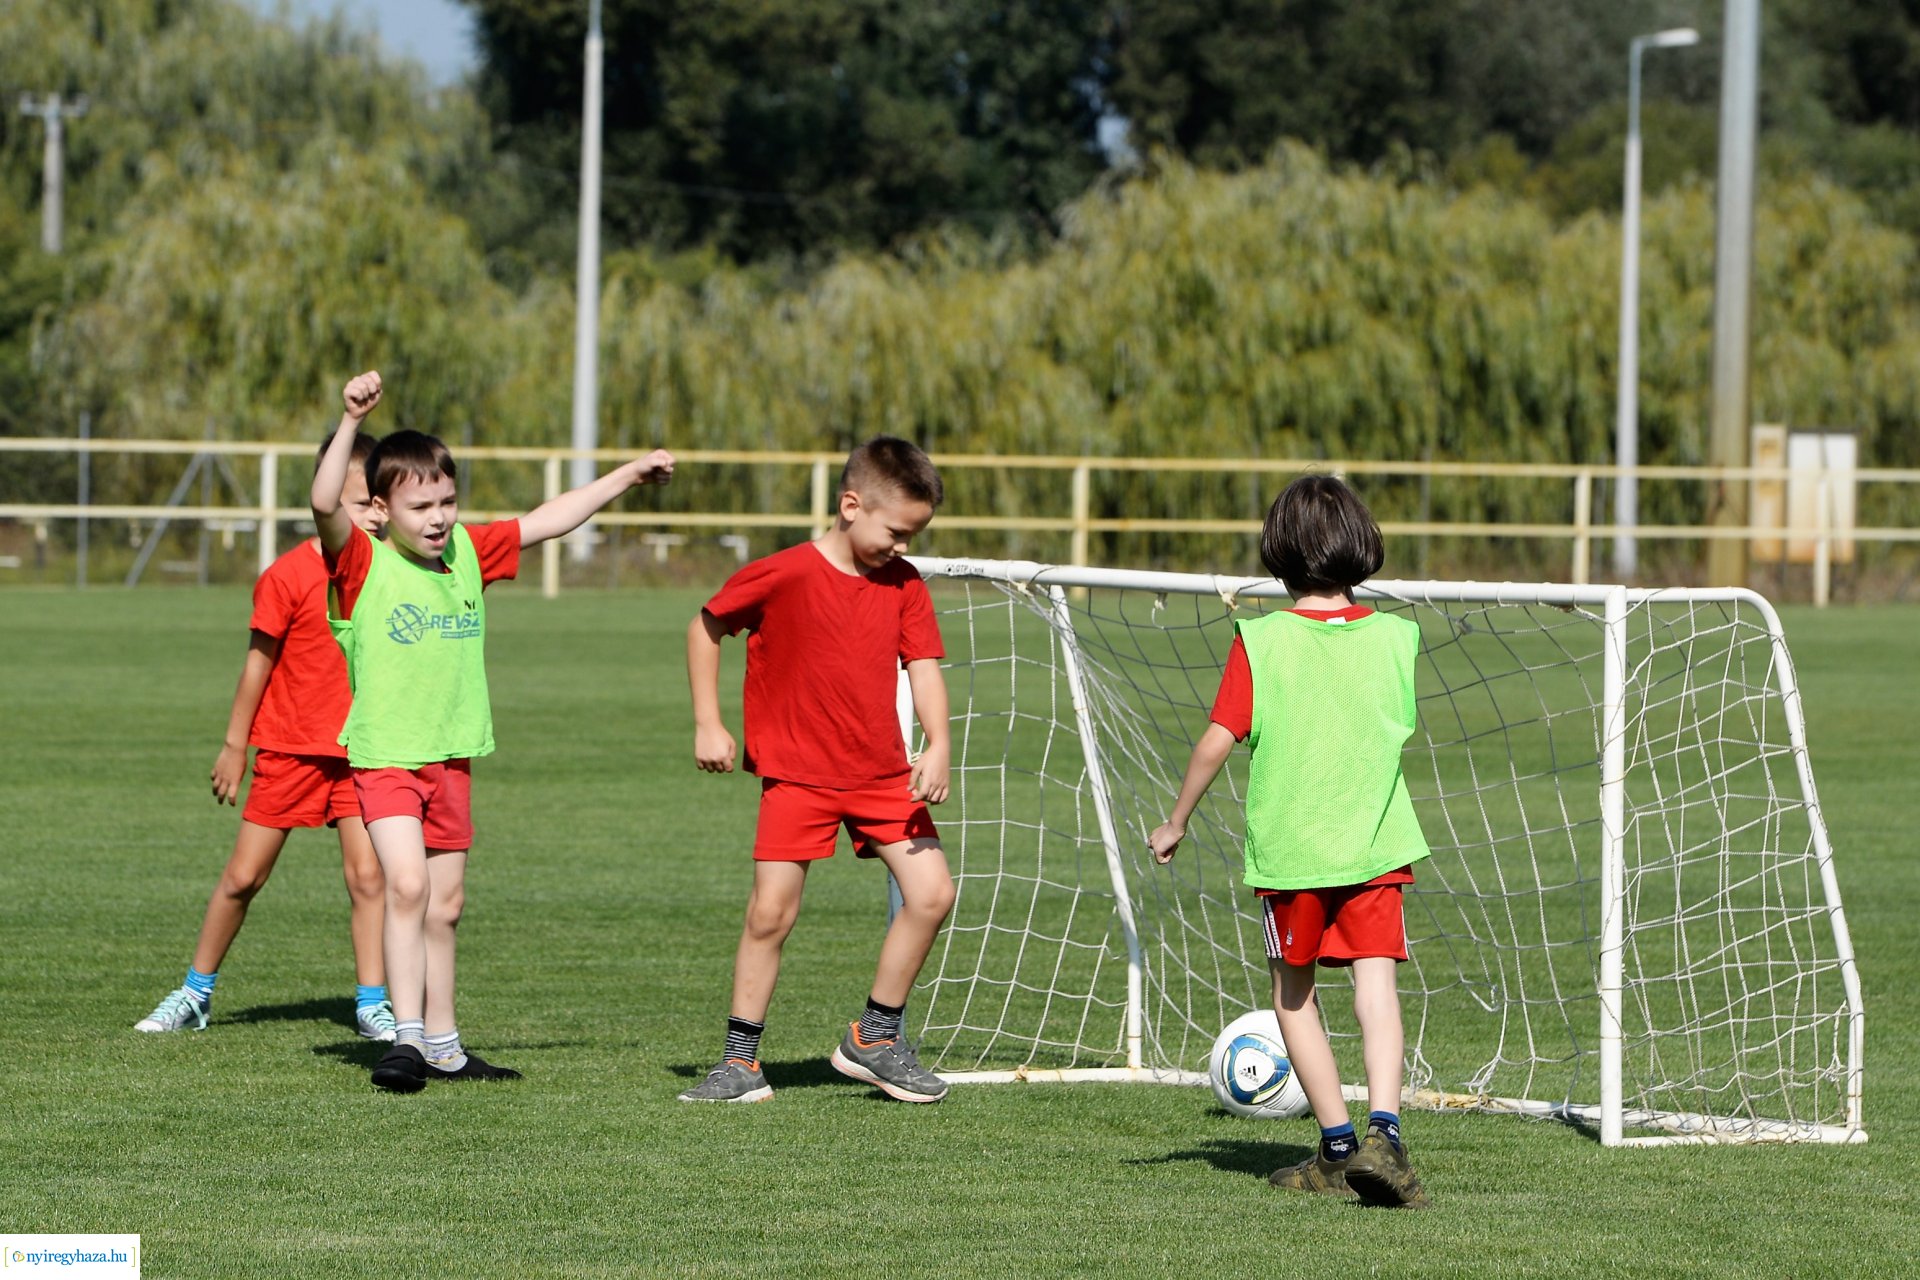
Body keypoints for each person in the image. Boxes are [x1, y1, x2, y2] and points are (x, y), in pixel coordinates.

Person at [312, 370, 675, 1093]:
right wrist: (351, 420)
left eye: (448, 501)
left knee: (445, 907)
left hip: (452, 757)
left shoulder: (470, 554)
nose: (439, 517)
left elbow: (550, 517)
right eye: (421, 506)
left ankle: (445, 1045)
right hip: (386, 757)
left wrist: (626, 476)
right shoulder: (361, 563)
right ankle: (406, 1039)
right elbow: (324, 500)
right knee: (407, 886)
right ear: (381, 510)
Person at [1148, 474, 1432, 1208]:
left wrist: (1177, 819)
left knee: (1293, 993)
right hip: (1376, 844)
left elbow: (1217, 740)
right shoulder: (1398, 638)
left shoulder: (1263, 639)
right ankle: (1386, 1137)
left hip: (1293, 851)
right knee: (1377, 986)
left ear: (1279, 552)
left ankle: (1337, 1146)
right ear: (1361, 544)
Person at [680, 436, 956, 1105]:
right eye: (895, 531)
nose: (902, 545)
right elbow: (704, 628)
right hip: (796, 776)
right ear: (850, 505)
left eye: (913, 535)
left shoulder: (905, 585)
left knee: (932, 894)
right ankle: (740, 1064)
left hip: (881, 774)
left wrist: (939, 743)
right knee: (770, 914)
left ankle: (876, 1036)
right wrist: (708, 722)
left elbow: (923, 667)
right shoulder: (783, 572)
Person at [136, 433, 395, 1041]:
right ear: (327, 498)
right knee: (243, 877)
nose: (368, 518)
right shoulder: (287, 575)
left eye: (376, 506)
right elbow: (258, 664)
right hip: (289, 749)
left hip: (362, 752)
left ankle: (373, 1003)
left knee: (368, 879)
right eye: (357, 504)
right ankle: (194, 994)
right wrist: (235, 745)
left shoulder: (389, 572)